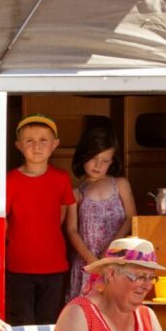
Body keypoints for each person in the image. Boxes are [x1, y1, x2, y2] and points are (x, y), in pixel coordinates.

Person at [6, 114, 74, 326]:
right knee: (21, 321)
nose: (37, 146)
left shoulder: (61, 178)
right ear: (18, 145)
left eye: (43, 140)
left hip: (54, 266)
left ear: (55, 145)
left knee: (50, 321)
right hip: (18, 266)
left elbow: (61, 215)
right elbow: (5, 222)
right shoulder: (10, 180)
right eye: (29, 141)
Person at [64, 124, 134, 301]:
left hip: (117, 259)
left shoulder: (120, 184)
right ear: (83, 157)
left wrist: (110, 251)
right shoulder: (76, 193)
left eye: (105, 160)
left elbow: (130, 218)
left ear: (112, 162)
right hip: (87, 262)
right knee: (86, 309)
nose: (98, 165)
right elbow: (71, 230)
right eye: (94, 158)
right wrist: (92, 260)